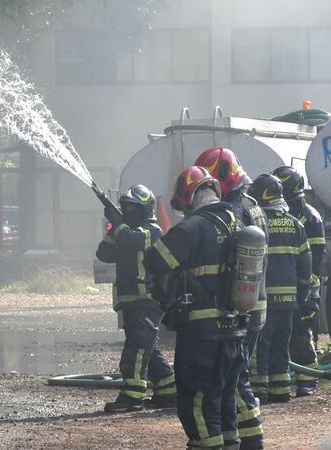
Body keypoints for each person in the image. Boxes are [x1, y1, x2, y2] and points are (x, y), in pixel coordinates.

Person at [144, 167, 245, 450]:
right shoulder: (236, 222)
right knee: (224, 401)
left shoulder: (192, 227)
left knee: (197, 400)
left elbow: (154, 260)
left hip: (201, 333)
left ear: (189, 195)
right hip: (234, 331)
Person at [196, 147, 266, 449]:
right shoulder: (252, 205)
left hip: (242, 306)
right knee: (236, 376)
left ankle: (252, 442)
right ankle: (238, 439)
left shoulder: (235, 210)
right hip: (255, 300)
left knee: (236, 380)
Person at [96, 185, 176, 413]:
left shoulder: (152, 231)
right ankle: (169, 390)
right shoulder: (126, 232)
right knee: (148, 348)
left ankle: (132, 397)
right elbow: (104, 253)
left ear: (145, 210)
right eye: (125, 208)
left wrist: (119, 224)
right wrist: (115, 227)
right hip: (132, 301)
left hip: (147, 300)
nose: (128, 212)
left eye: (133, 209)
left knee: (137, 349)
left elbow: (132, 240)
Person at [248, 174, 312, 404]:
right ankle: (281, 389)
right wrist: (303, 291)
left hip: (265, 299)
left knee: (262, 344)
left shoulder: (257, 223)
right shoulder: (295, 223)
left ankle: (260, 389)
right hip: (289, 299)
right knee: (281, 344)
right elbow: (306, 261)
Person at [273, 166, 325, 397]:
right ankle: (280, 379)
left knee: (302, 333)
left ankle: (308, 379)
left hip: (305, 286)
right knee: (279, 334)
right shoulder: (279, 215)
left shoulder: (311, 218)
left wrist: (308, 288)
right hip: (283, 284)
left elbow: (316, 258)